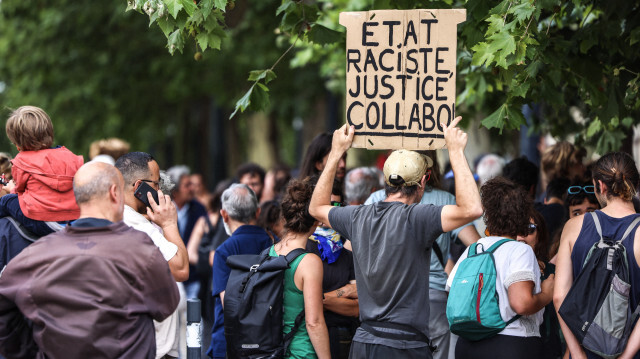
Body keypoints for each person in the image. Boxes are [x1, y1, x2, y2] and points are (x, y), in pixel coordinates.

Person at [309, 118, 483, 358]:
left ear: (387, 181)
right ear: (423, 182)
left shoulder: (357, 216)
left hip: (363, 343)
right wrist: (455, 151)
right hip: (405, 346)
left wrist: (337, 151)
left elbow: (316, 207)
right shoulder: (418, 218)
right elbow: (472, 209)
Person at [0, 161, 179, 359]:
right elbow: (166, 306)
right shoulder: (141, 250)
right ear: (114, 193)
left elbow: (4, 308)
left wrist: (31, 351)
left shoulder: (37, 254)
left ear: (77, 197)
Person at [364, 149, 481, 359]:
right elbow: (477, 247)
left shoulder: (375, 199)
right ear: (426, 173)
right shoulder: (445, 200)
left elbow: (353, 248)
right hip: (432, 300)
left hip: (382, 300)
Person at [447, 177, 555, 359]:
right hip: (511, 344)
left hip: (468, 345)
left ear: (488, 215)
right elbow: (521, 303)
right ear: (521, 214)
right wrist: (546, 294)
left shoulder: (474, 249)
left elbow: (452, 293)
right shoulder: (520, 250)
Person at [554, 152, 640, 359]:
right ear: (635, 185)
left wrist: (577, 353)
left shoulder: (574, 227)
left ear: (600, 186)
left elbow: (559, 297)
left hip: (585, 350)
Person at [115, 152, 189, 359]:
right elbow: (181, 269)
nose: (159, 190)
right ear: (139, 186)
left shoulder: (119, 218)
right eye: (155, 184)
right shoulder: (135, 225)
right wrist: (169, 224)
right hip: (153, 348)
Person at [208, 184, 273, 359]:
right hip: (270, 340)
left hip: (231, 344)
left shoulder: (223, 252)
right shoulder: (275, 244)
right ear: (257, 212)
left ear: (224, 215)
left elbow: (228, 305)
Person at [0, 106, 84, 237]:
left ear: (17, 145)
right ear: (50, 133)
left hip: (43, 223)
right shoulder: (71, 157)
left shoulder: (21, 161)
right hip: (74, 218)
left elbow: (20, 192)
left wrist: (11, 189)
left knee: (5, 201)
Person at [272, 178, 331, 359]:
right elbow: (314, 322)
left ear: (285, 217)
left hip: (275, 350)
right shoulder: (309, 262)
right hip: (301, 352)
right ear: (316, 220)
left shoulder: (269, 252)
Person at [307, 178, 358, 359]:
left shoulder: (347, 252)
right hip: (307, 341)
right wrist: (345, 291)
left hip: (343, 338)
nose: (325, 214)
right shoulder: (301, 249)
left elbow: (356, 308)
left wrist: (318, 299)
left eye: (334, 206)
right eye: (321, 206)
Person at [167, 165, 207, 299]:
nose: (192, 188)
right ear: (175, 190)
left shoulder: (199, 209)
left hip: (193, 275)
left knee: (193, 315)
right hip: (171, 274)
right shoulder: (164, 209)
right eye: (187, 185)